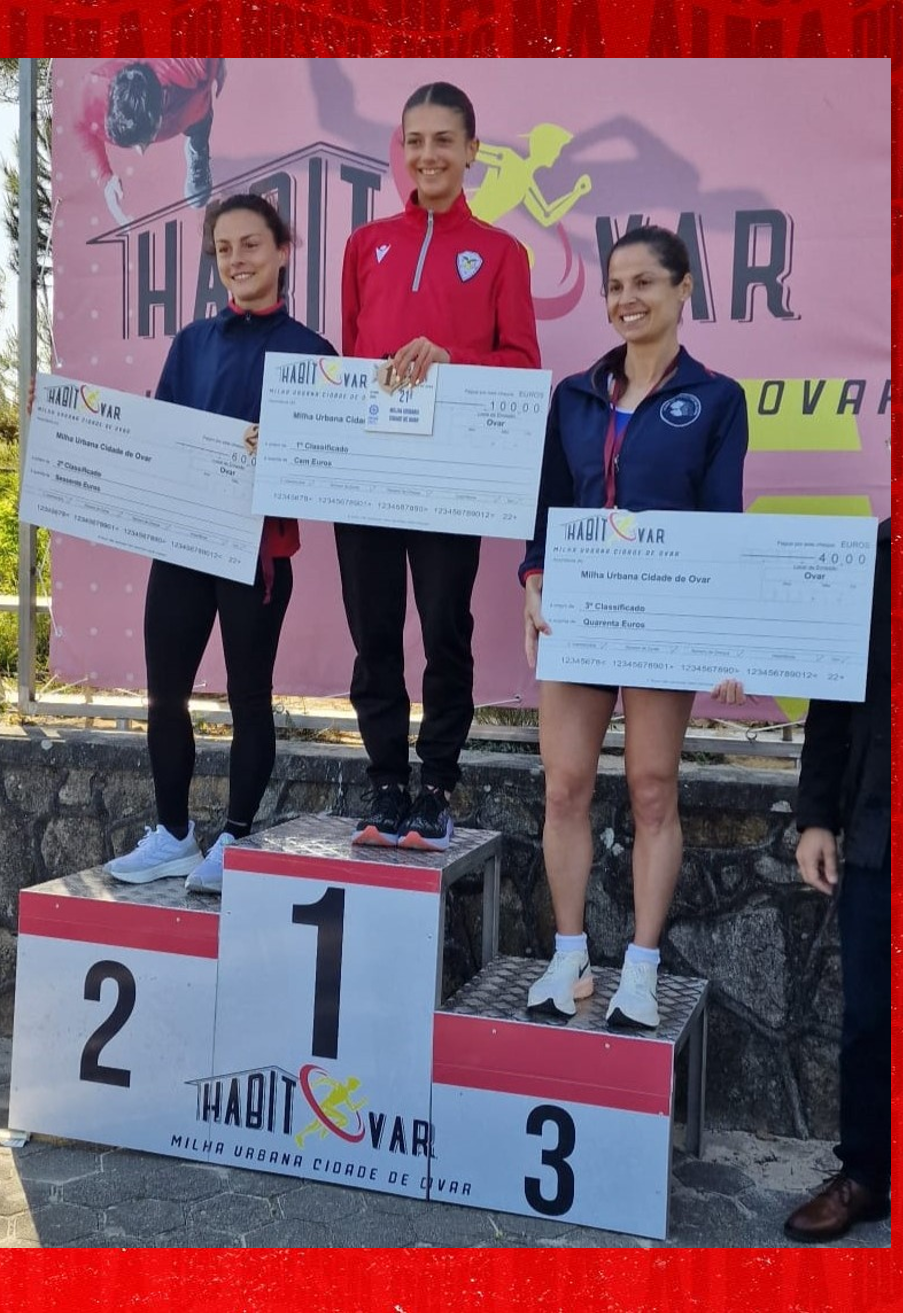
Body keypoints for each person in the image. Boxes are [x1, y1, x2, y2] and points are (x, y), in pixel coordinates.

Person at [521, 225, 748, 1029]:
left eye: (645, 283)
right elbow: (548, 507)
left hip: (663, 613)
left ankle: (642, 967)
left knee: (652, 787)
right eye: (616, 286)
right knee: (564, 785)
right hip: (582, 612)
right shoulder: (576, 396)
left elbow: (722, 521)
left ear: (684, 289)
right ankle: (570, 954)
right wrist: (533, 583)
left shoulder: (717, 399)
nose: (627, 299)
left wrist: (723, 635)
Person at [104, 194, 336, 892]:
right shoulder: (192, 342)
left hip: (254, 556)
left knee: (248, 698)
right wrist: (74, 425)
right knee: (165, 696)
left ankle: (234, 836)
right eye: (224, 249)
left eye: (251, 245)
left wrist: (282, 453)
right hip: (181, 545)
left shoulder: (314, 355)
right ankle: (174, 833)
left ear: (283, 251)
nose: (237, 260)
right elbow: (160, 438)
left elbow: (324, 473)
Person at [337, 81, 541, 852]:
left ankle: (437, 785)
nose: (428, 155)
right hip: (367, 476)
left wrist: (452, 360)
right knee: (373, 633)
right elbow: (353, 358)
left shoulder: (502, 253)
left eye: (444, 141)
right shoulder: (365, 245)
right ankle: (386, 782)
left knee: (445, 630)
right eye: (415, 140)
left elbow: (522, 366)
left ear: (471, 151)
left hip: (452, 480)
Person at [783, 517, 891, 1242]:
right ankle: (866, 1175)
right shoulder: (872, 557)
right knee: (870, 1018)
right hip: (883, 827)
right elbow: (832, 692)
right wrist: (816, 816)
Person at [73, 58, 227, 223]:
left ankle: (197, 149)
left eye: (143, 141)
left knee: (199, 124)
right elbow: (81, 129)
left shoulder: (190, 66)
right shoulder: (91, 95)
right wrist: (105, 177)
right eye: (134, 144)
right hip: (178, 102)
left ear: (158, 117)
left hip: (193, 107)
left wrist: (218, 67)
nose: (140, 152)